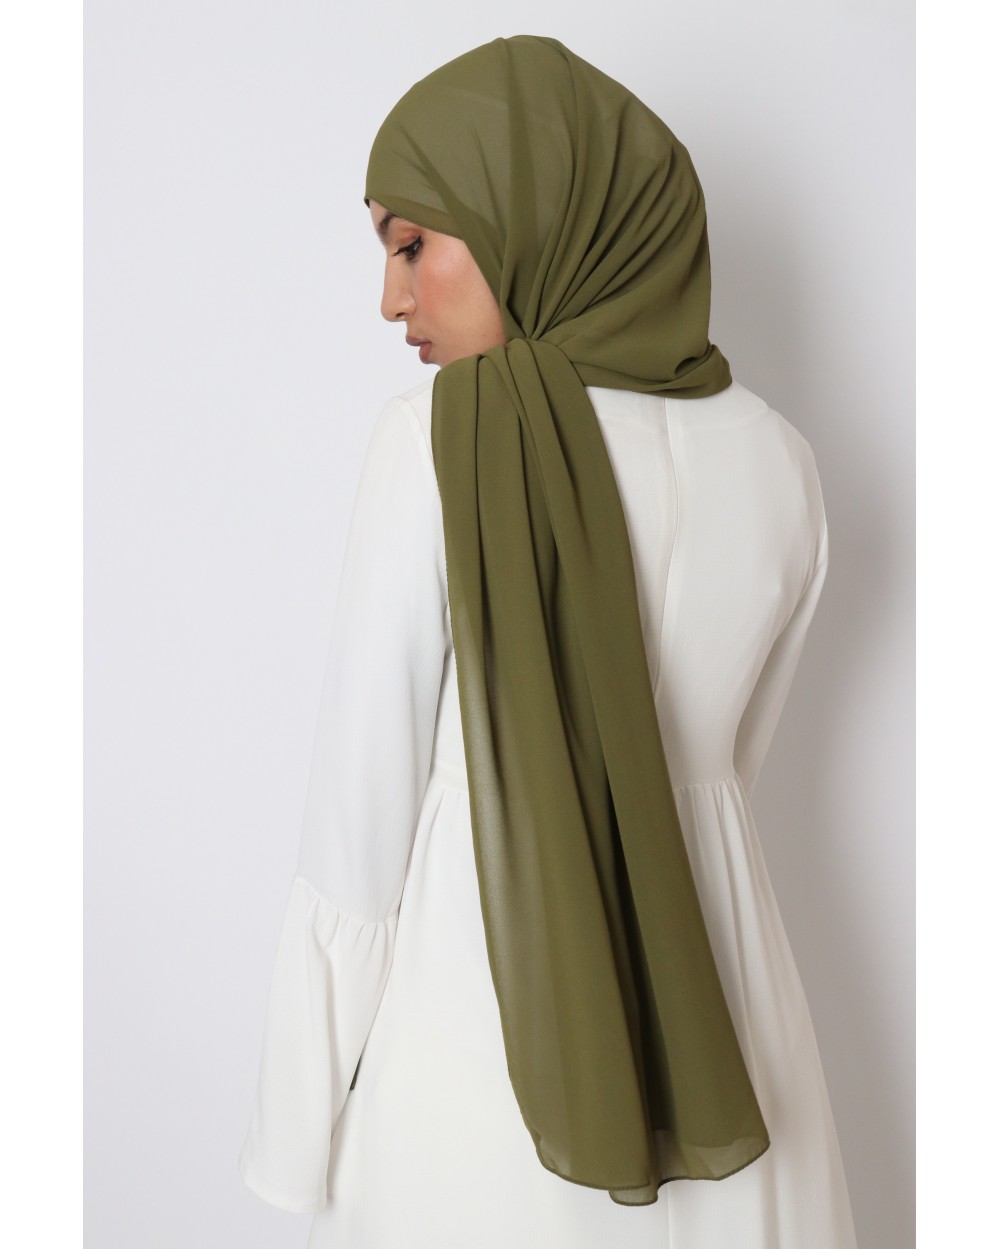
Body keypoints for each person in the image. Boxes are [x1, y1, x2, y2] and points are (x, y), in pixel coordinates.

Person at [239, 35, 858, 1248]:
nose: (391, 300)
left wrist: (293, 1134)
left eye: (411, 244)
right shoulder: (784, 462)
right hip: (732, 1026)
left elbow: (358, 833)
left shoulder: (434, 440)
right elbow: (729, 770)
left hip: (482, 1037)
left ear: (529, 217)